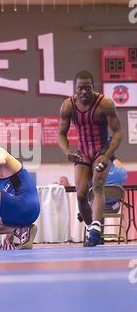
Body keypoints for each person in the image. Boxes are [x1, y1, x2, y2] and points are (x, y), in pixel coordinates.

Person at [58, 70, 122, 247]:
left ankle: (96, 226)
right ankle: (91, 229)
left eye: (88, 88)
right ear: (75, 89)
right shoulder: (68, 106)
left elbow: (117, 133)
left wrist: (108, 156)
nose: (84, 92)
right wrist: (66, 151)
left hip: (102, 150)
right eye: (80, 88)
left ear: (94, 88)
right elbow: (61, 134)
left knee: (98, 184)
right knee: (80, 194)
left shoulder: (105, 104)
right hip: (83, 151)